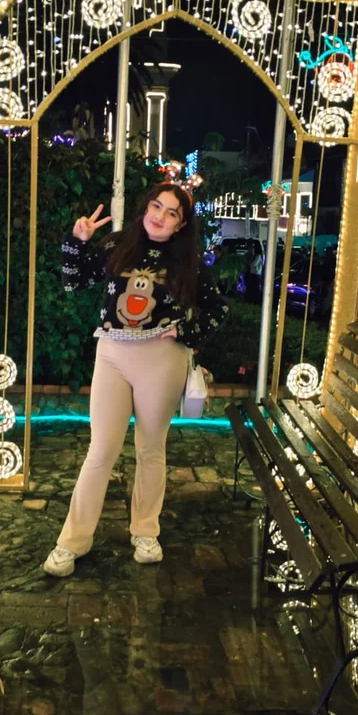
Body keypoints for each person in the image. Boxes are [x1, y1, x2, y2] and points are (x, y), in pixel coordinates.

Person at [43, 184, 229, 577]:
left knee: (151, 449)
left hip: (161, 360)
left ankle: (145, 531)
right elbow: (73, 282)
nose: (160, 216)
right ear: (146, 207)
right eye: (156, 206)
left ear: (181, 225)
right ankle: (72, 541)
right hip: (112, 353)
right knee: (101, 450)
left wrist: (185, 334)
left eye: (171, 213)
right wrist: (77, 242)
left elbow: (217, 309)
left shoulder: (188, 263)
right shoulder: (118, 246)